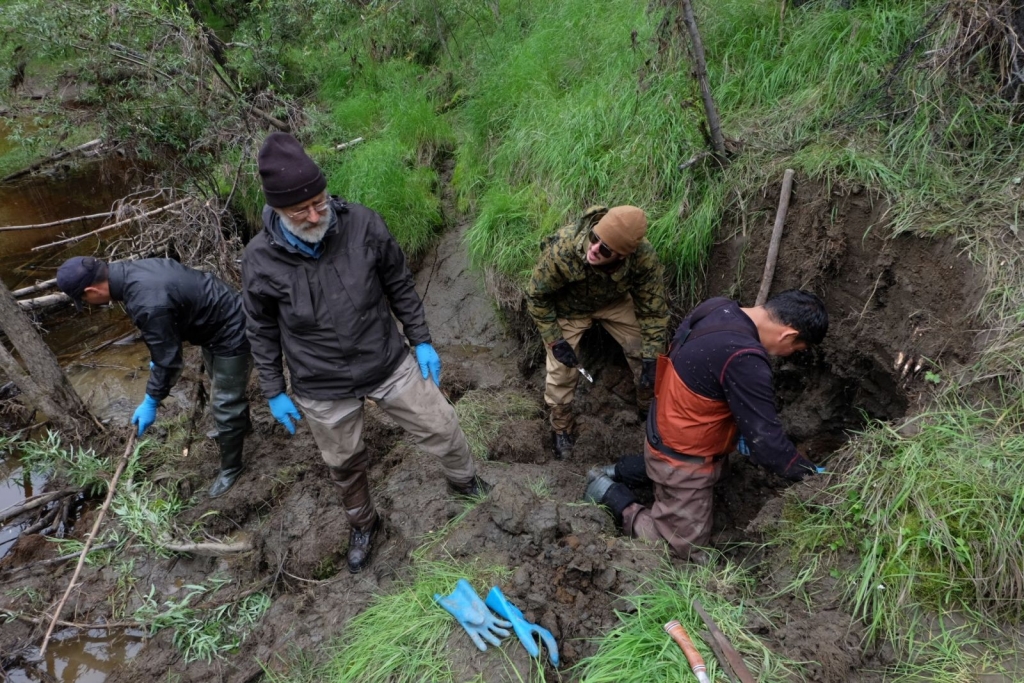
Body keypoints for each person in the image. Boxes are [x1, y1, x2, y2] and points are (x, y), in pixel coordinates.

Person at [241, 132, 488, 574]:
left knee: (444, 425)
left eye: (320, 201)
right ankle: (363, 524)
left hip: (387, 360)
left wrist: (421, 338)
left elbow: (399, 284)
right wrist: (274, 389)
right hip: (320, 382)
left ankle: (465, 482)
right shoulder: (259, 260)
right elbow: (259, 327)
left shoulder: (363, 224)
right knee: (344, 463)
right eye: (301, 210)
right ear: (277, 211)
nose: (316, 215)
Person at [584, 290, 828, 561]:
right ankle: (612, 495)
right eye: (796, 348)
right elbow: (767, 444)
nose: (790, 354)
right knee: (682, 553)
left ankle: (624, 471)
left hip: (665, 425)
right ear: (789, 335)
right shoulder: (745, 358)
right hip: (681, 457)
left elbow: (698, 373)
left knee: (710, 472)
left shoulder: (717, 307)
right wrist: (811, 477)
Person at [56, 256, 252, 498]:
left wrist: (151, 400)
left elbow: (170, 362)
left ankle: (231, 468)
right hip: (215, 319)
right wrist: (161, 350)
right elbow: (170, 313)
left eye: (84, 300)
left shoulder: (146, 301)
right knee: (221, 385)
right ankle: (239, 428)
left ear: (92, 290)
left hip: (232, 328)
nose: (88, 304)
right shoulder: (130, 273)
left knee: (224, 401)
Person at [524, 205, 669, 460]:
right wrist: (555, 339)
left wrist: (651, 357)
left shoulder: (644, 259)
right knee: (560, 370)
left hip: (614, 301)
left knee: (646, 353)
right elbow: (536, 295)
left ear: (623, 256)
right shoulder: (564, 249)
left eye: (604, 249)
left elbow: (653, 312)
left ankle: (650, 409)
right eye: (594, 239)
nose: (593, 249)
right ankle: (561, 427)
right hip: (570, 307)